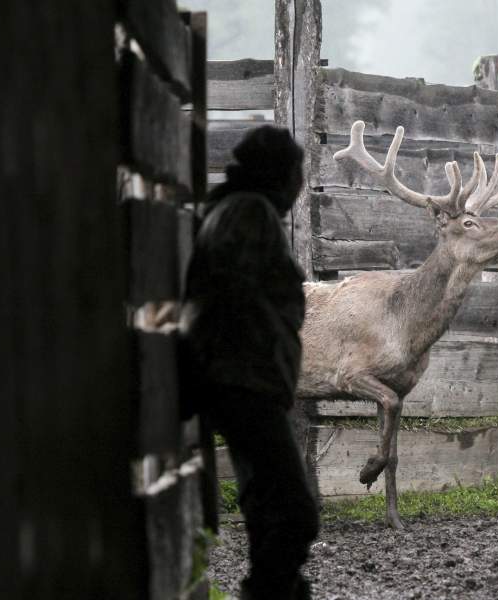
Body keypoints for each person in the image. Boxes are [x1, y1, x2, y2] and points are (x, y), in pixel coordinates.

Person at [181, 126, 319, 600]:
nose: (301, 184)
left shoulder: (233, 210)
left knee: (267, 509)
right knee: (295, 513)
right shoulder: (250, 213)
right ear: (280, 174)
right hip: (245, 385)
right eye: (298, 172)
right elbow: (236, 299)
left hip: (241, 382)